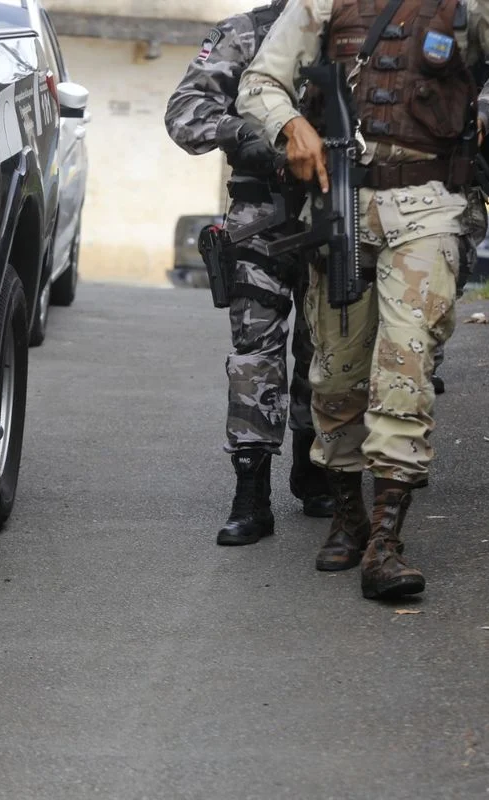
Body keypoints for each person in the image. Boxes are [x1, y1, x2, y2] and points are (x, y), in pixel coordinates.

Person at [237, 0, 489, 598]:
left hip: (429, 206)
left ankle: (385, 540)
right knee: (335, 375)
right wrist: (289, 125)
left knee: (406, 364)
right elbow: (260, 82)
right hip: (341, 201)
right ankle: (348, 515)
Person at [165, 0, 337, 548]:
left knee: (324, 347)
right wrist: (245, 134)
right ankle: (251, 492)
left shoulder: (358, 28)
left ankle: (315, 470)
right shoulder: (247, 32)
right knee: (255, 353)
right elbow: (185, 111)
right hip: (260, 216)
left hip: (336, 211)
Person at [432, 54, 489, 395]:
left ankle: (425, 358)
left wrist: (480, 118)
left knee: (455, 267)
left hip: (463, 167)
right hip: (399, 162)